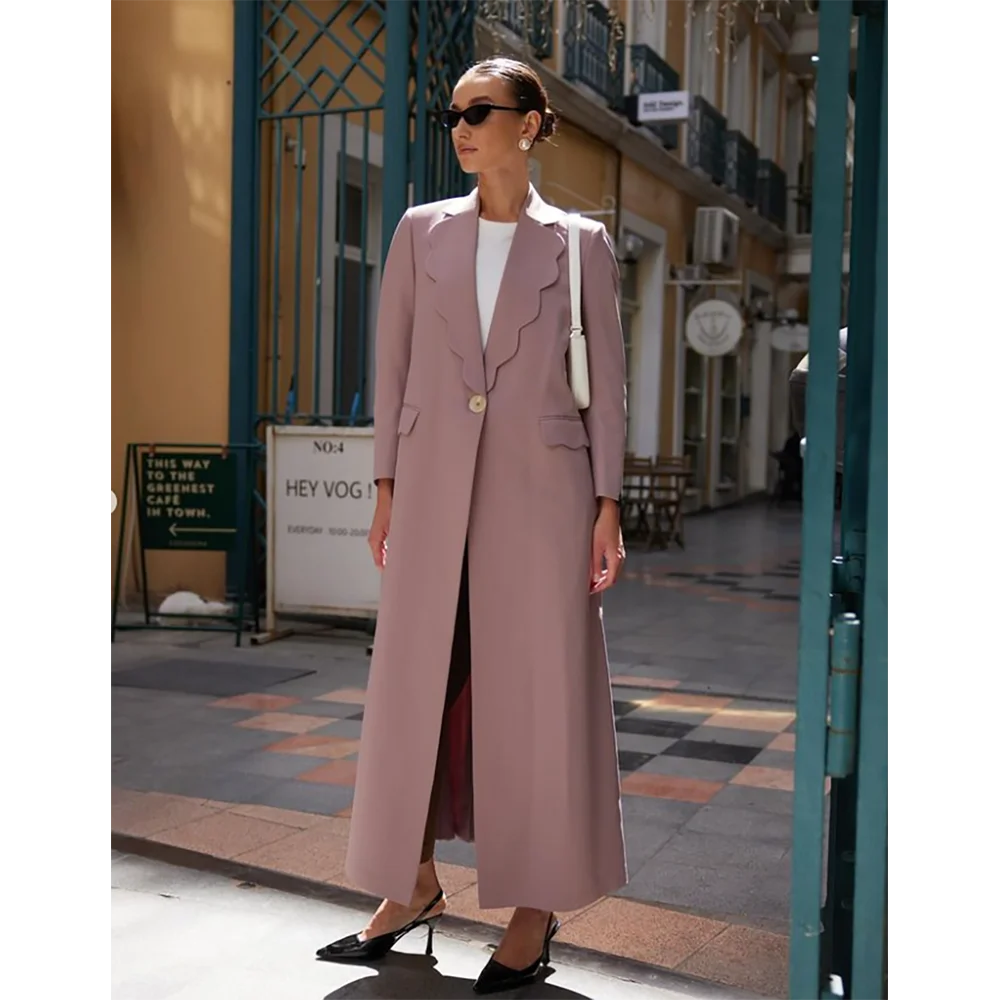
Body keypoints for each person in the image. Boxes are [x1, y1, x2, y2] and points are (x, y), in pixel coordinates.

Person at [316, 57, 629, 995]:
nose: (460, 126)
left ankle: (535, 913)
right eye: (452, 112)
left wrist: (608, 504)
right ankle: (409, 886)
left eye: (480, 111)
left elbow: (606, 384)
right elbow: (396, 360)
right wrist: (384, 483)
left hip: (547, 494)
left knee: (538, 693)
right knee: (418, 681)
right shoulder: (420, 232)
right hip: (433, 481)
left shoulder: (581, 243)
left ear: (528, 125)